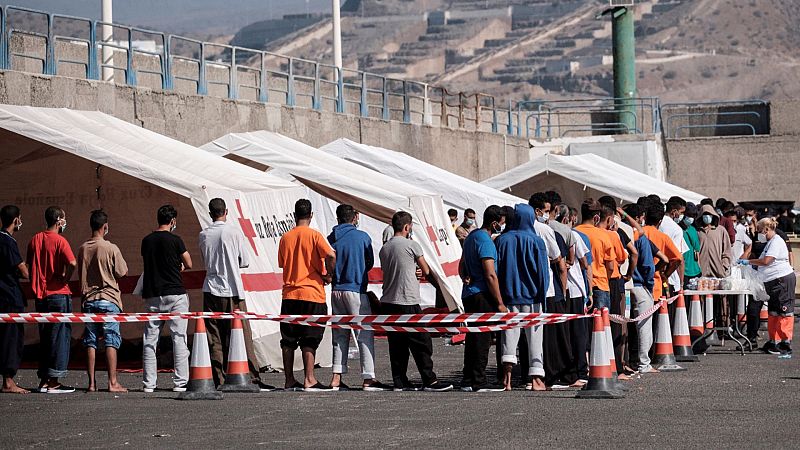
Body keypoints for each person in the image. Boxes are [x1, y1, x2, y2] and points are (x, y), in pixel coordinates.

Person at [198, 198, 273, 391]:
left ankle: (219, 377)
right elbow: (244, 260)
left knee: (214, 336)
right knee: (240, 333)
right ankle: (249, 375)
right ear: (226, 211)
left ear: (210, 213)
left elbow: (204, 259)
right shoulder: (233, 232)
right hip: (232, 288)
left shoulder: (203, 234)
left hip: (211, 287)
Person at [380, 211, 453, 392]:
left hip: (388, 301)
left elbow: (396, 269)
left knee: (397, 344)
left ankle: (399, 380)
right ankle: (429, 380)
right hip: (407, 300)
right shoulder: (412, 245)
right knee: (421, 342)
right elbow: (426, 270)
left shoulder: (385, 248)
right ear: (407, 227)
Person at [326, 205, 390, 391]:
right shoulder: (362, 237)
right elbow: (368, 262)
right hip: (356, 289)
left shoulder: (331, 238)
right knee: (364, 334)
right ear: (354, 217)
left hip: (336, 289)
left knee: (339, 334)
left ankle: (336, 377)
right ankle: (368, 377)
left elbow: (328, 260)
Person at [277, 199, 336, 391]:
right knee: (310, 337)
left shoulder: (286, 237)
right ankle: (309, 378)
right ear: (311, 215)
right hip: (312, 293)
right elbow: (331, 255)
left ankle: (289, 379)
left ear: (294, 215)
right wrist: (329, 274)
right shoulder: (314, 236)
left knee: (288, 339)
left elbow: (282, 263)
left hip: (290, 294)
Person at [495, 204, 549, 391]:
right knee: (535, 339)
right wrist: (543, 294)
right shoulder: (536, 241)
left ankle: (507, 378)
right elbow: (543, 272)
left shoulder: (502, 241)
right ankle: (536, 379)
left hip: (508, 296)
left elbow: (497, 269)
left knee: (508, 337)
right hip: (533, 297)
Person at [141, 205, 192, 393]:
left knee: (150, 340)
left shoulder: (146, 241)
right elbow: (189, 262)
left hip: (153, 294)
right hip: (175, 293)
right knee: (179, 338)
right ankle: (180, 382)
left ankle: (149, 384)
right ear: (172, 221)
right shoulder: (176, 240)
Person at [77, 210, 128, 392]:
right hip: (109, 299)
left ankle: (91, 383)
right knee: (111, 340)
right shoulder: (111, 248)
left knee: (90, 341)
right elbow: (122, 272)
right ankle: (112, 382)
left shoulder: (83, 248)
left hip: (89, 300)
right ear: (105, 226)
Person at [27, 206, 76, 394]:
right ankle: (54, 380)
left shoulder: (35, 240)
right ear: (58, 220)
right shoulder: (60, 241)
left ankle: (44, 379)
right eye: (64, 218)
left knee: (46, 337)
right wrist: (65, 277)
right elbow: (72, 263)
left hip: (41, 295)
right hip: (58, 293)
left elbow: (30, 265)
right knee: (60, 337)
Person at [459, 205, 507, 392]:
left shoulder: (471, 237)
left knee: (472, 338)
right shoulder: (486, 242)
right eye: (501, 224)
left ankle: (468, 378)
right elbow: (490, 274)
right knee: (482, 339)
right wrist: (500, 303)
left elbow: (461, 263)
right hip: (482, 294)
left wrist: (465, 276)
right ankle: (478, 381)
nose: (501, 227)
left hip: (469, 293)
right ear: (494, 223)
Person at [623, 204, 668, 374]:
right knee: (644, 327)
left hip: (624, 286)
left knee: (623, 327)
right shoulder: (641, 239)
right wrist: (650, 282)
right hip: (640, 286)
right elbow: (652, 264)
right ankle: (644, 363)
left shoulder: (620, 235)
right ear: (640, 218)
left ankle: (626, 361)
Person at [744, 218, 795, 355]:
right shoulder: (770, 242)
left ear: (766, 229)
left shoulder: (777, 241)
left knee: (784, 311)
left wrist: (749, 261)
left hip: (782, 280)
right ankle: (774, 340)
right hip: (772, 281)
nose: (759, 234)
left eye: (760, 231)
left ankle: (785, 342)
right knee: (773, 312)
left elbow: (767, 261)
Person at [561, 207, 591, 385]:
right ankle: (580, 369)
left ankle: (569, 369)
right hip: (576, 289)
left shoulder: (550, 232)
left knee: (565, 332)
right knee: (579, 333)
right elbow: (585, 262)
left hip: (561, 290)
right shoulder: (573, 235)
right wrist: (589, 290)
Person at [0, 205, 29, 394]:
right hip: (9, 296)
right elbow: (23, 270)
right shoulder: (8, 242)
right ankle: (9, 381)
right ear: (16, 220)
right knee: (11, 339)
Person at [574, 199, 616, 309]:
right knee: (601, 324)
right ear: (597, 217)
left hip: (579, 286)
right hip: (600, 285)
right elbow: (611, 266)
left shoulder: (573, 232)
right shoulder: (603, 235)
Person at [640, 202, 682, 303]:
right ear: (660, 221)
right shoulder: (663, 237)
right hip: (655, 285)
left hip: (637, 283)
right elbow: (678, 258)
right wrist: (665, 275)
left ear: (645, 217)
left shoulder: (637, 233)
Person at [660, 197, 689, 295]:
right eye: (681, 213)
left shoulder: (657, 222)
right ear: (674, 211)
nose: (681, 216)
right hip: (669, 277)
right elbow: (678, 258)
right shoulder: (676, 229)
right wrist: (681, 284)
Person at [680, 203, 702, 286]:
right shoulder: (677, 229)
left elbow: (697, 250)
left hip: (695, 269)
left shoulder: (693, 230)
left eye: (693, 216)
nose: (691, 218)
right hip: (683, 270)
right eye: (689, 215)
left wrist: (699, 266)